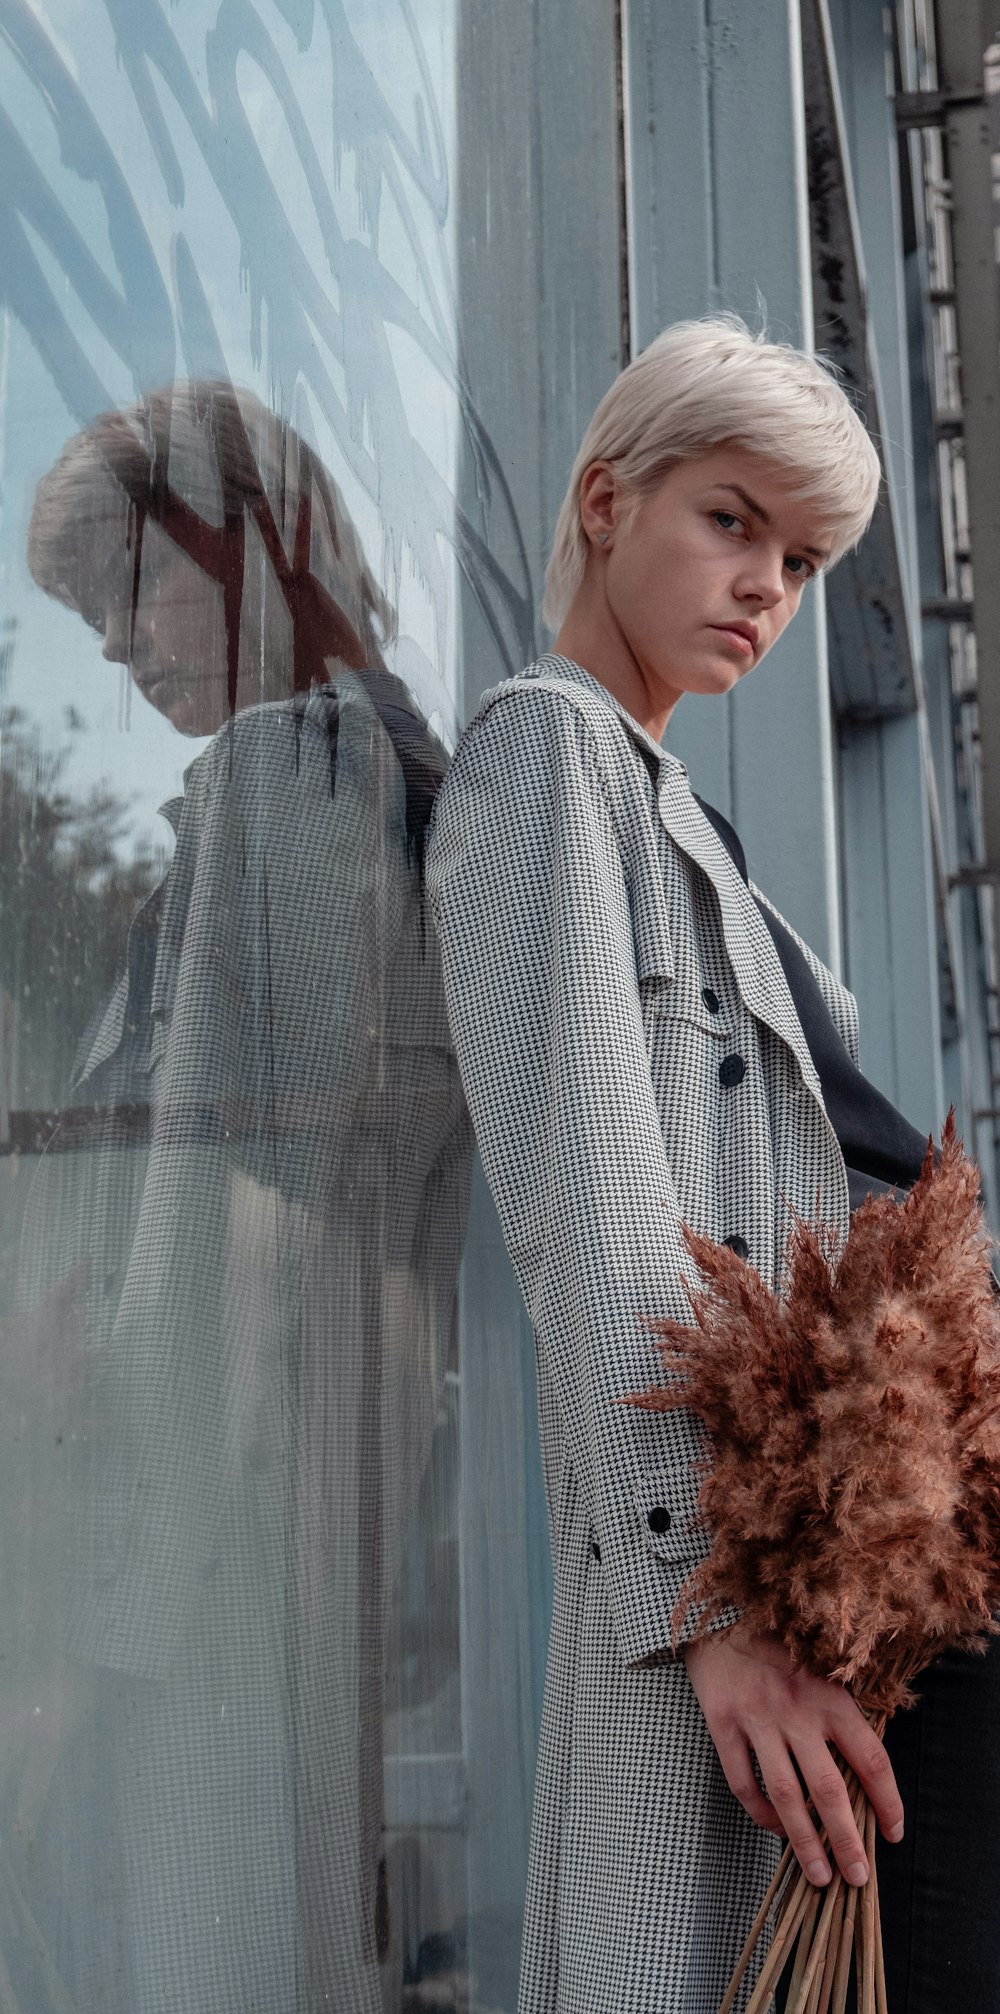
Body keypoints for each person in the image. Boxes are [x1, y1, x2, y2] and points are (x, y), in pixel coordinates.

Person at [427, 314, 938, 2014]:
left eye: (800, 559)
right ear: (601, 500)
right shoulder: (544, 753)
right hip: (748, 1585)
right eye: (732, 520)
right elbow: (597, 1209)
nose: (767, 588)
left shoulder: (703, 838)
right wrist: (707, 1593)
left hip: (864, 1573)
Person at [8, 380, 472, 2012]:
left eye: (124, 585)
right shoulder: (340, 772)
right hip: (241, 1559)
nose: (113, 650)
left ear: (253, 536)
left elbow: (265, 1254)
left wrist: (76, 1634)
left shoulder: (305, 772)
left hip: (198, 1578)